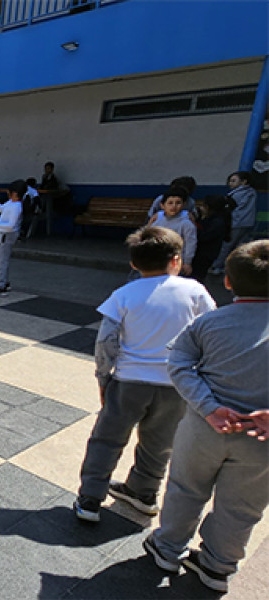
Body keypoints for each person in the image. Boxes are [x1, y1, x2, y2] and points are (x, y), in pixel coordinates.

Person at [144, 240, 268, 594]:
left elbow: (179, 363)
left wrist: (210, 407)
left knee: (185, 487)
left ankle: (167, 549)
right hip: (261, 441)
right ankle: (218, 565)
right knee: (243, 506)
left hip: (204, 428)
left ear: (227, 281)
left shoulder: (209, 322)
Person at [73, 226, 215, 523]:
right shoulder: (195, 291)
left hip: (128, 380)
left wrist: (103, 377)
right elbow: (209, 333)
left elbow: (106, 341)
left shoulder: (124, 294)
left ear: (134, 264)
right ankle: (144, 492)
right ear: (176, 259)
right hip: (176, 383)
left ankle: (90, 498)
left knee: (107, 439)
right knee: (159, 443)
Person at [210, 171, 257, 275]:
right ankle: (237, 268)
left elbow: (228, 209)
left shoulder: (235, 195)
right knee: (241, 246)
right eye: (230, 181)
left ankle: (217, 266)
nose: (230, 183)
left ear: (244, 182)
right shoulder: (252, 193)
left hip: (235, 223)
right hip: (248, 223)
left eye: (233, 181)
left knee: (226, 246)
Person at [0, 179, 25, 296]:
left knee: (2, 260)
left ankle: (1, 284)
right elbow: (0, 209)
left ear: (15, 193)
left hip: (8, 235)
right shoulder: (11, 203)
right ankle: (3, 282)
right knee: (1, 259)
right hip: (4, 234)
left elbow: (11, 226)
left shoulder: (17, 207)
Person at [150, 187, 197, 276]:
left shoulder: (186, 224)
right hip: (158, 260)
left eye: (178, 203)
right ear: (162, 205)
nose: (174, 206)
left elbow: (191, 243)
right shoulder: (157, 221)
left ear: (184, 205)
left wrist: (187, 262)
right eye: (170, 203)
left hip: (176, 262)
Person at [191, 195, 234, 283]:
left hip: (205, 254)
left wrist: (195, 223)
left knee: (197, 277)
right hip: (207, 253)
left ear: (208, 207)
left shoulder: (217, 222)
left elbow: (203, 236)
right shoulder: (216, 219)